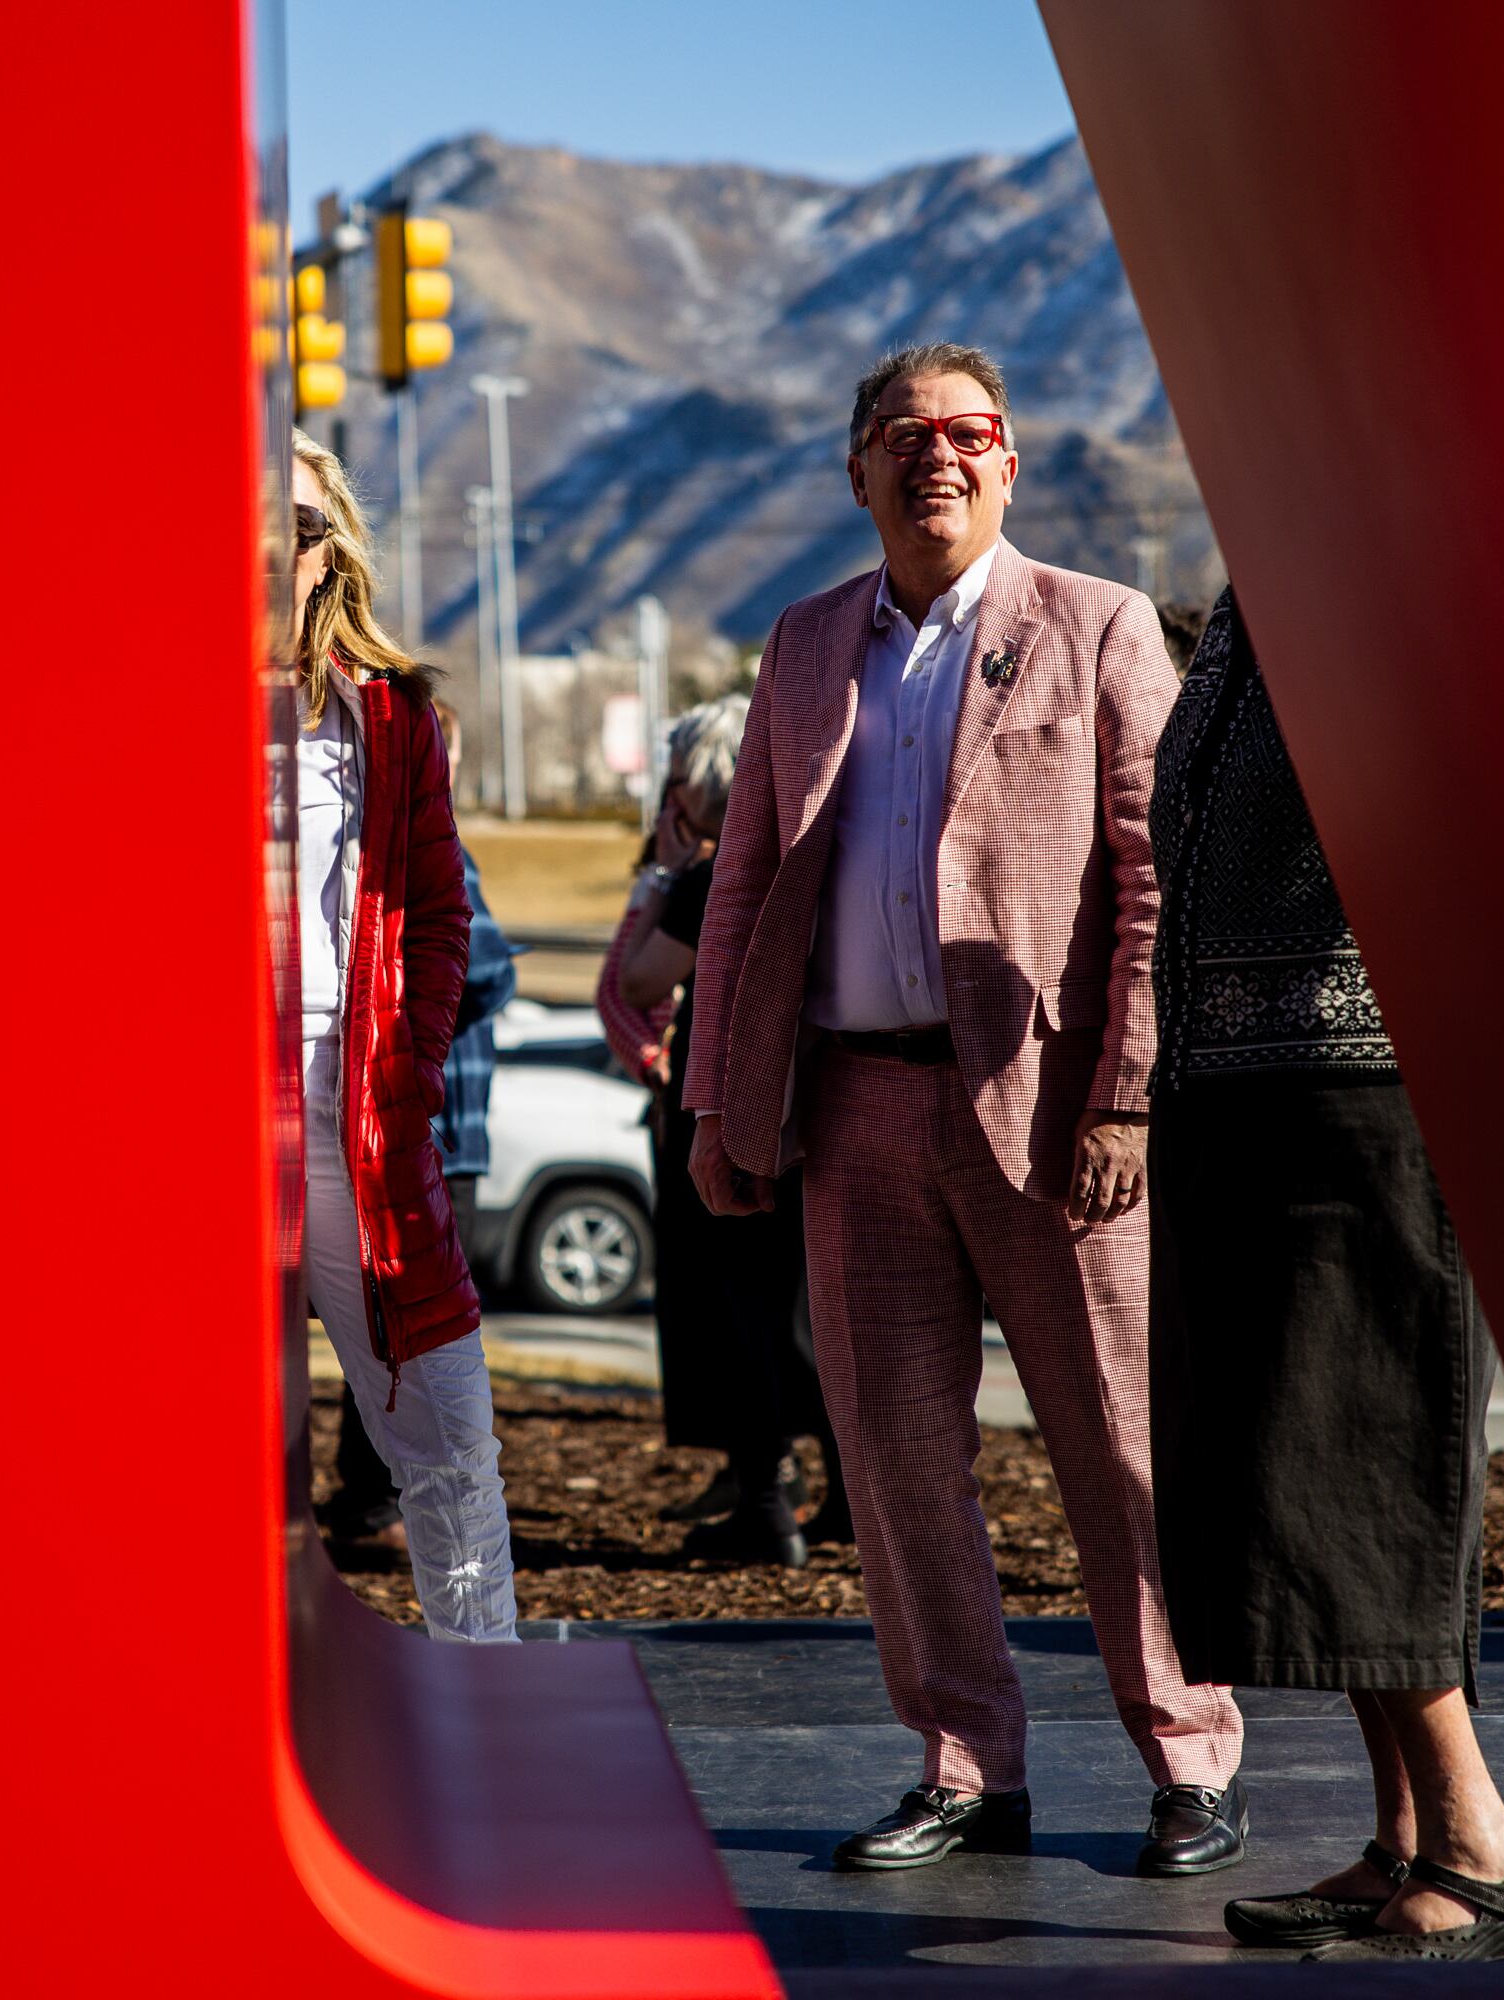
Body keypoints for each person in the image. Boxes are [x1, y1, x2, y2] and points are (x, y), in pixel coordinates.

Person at [682, 344, 1245, 1873]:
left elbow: (1155, 888)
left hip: (1057, 1115)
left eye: (969, 432)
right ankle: (963, 1765)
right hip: (855, 1114)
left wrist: (1126, 1099)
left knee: (1114, 1453)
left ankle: (1191, 1758)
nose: (938, 456)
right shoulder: (802, 651)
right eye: (904, 434)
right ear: (855, 469)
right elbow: (742, 885)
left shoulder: (1102, 626)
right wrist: (721, 1111)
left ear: (1011, 463)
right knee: (896, 1459)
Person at [1150, 587, 1504, 1962]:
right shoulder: (1248, 610)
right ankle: (1401, 1841)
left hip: (1367, 1104)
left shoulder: (1379, 586)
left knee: (1363, 1476)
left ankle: (1483, 1846)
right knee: (1288, 1487)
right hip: (1241, 1100)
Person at [286, 428, 517, 1643]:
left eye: (304, 528)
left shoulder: (391, 719)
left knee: (445, 1427)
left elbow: (439, 915)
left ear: (338, 555)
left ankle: (485, 1692)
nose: (278, 549)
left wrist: (410, 1065)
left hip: (354, 1116)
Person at [616, 695, 848, 1564]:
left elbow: (642, 983)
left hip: (726, 1101)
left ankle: (764, 1501)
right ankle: (849, 1500)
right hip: (821, 1097)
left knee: (741, 1312)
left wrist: (659, 885)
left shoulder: (710, 882)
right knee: (818, 1310)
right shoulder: (819, 857)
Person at [324, 700, 519, 1555]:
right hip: (404, 1121)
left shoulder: (435, 843)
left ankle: (372, 1503)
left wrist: (410, 1063)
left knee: (418, 1367)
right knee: (388, 1349)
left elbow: (470, 947)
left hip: (413, 1129)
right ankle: (363, 1500)